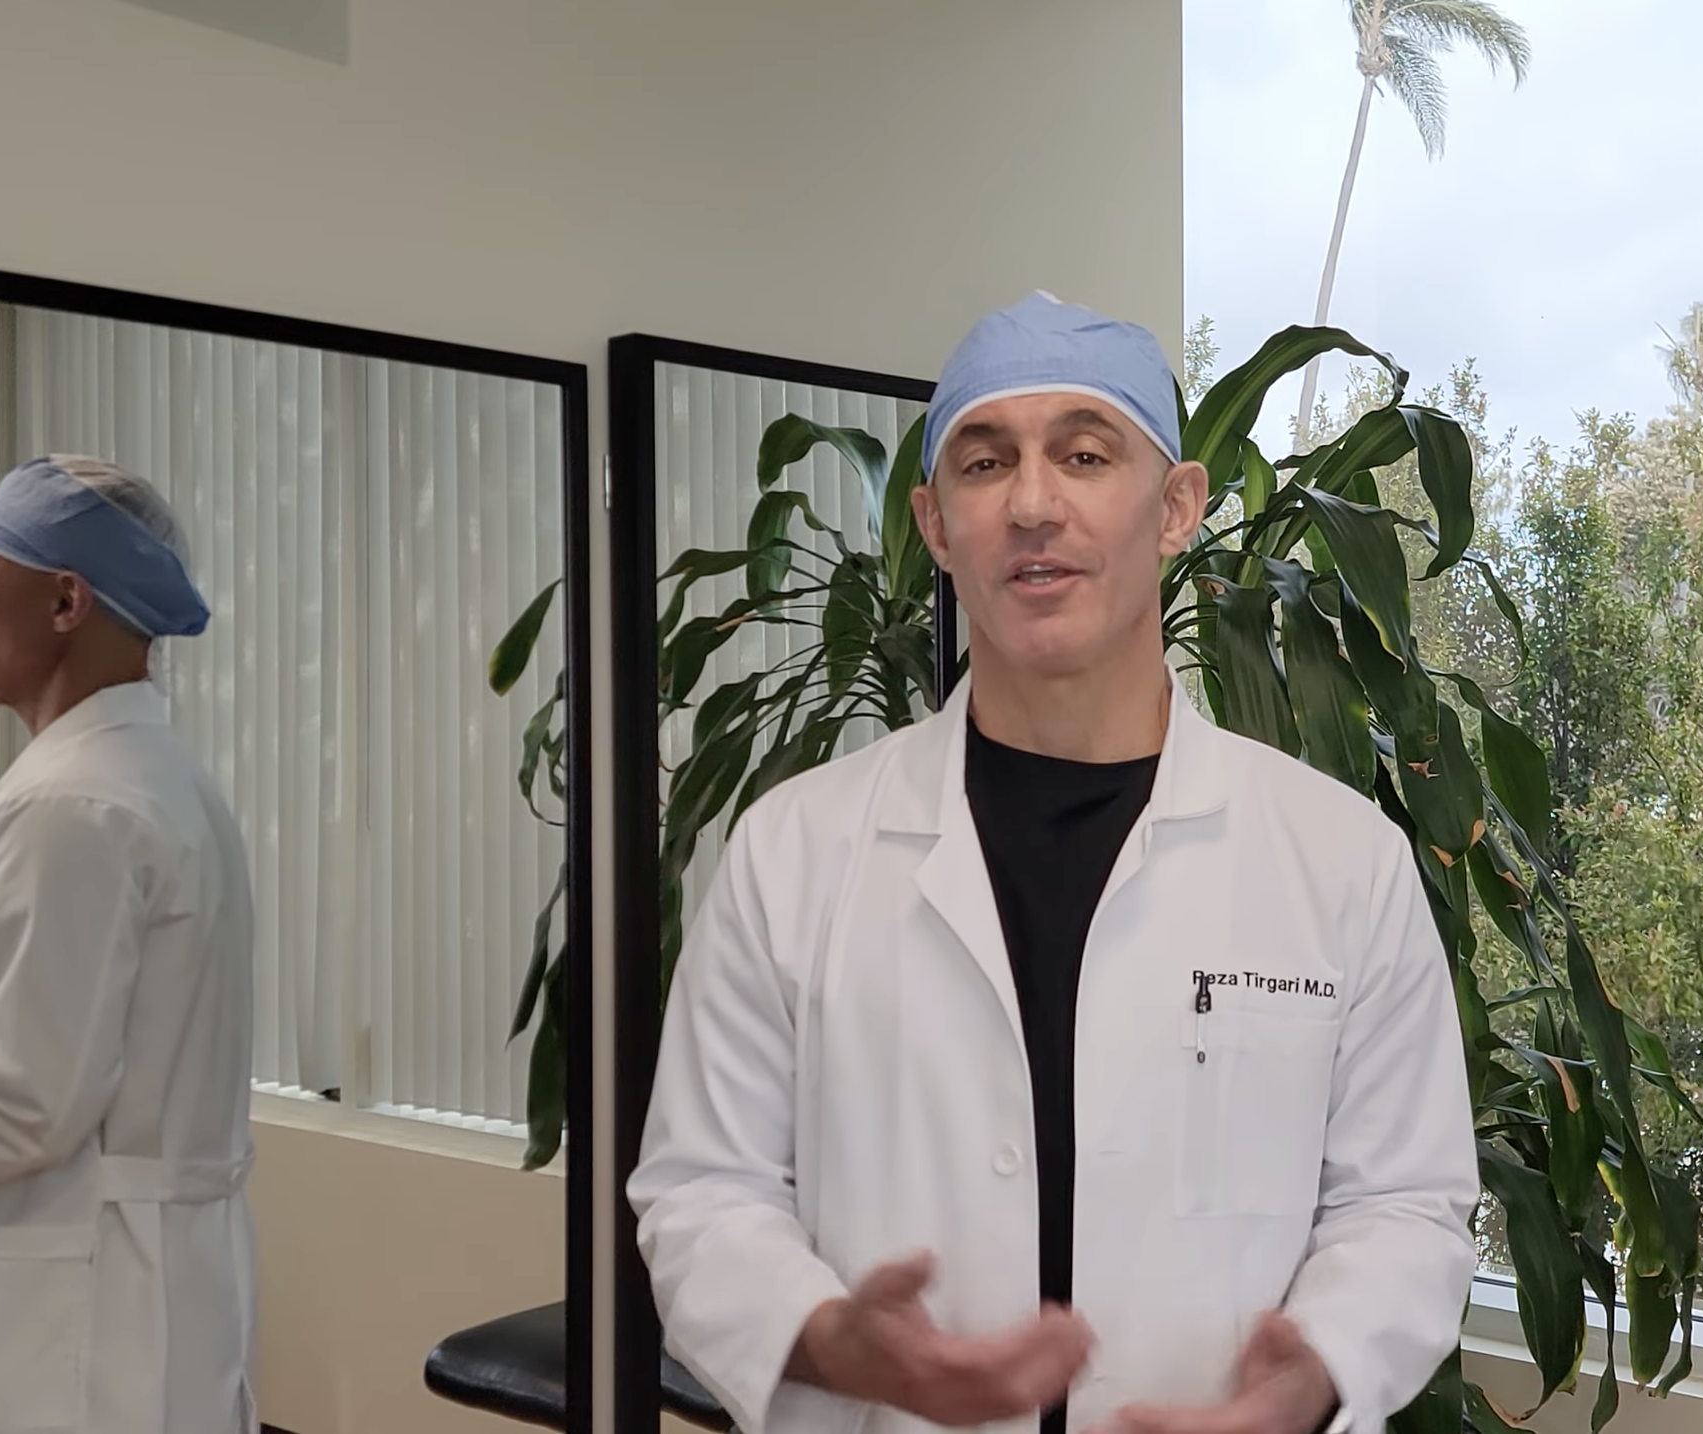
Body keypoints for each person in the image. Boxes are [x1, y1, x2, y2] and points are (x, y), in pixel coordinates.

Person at [631, 294, 1478, 1434]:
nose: (1032, 504)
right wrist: (838, 1343)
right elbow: (701, 1193)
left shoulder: (1341, 865)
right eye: (986, 464)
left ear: (1175, 507)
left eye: (1084, 455)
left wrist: (1311, 1378)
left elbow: (1406, 1205)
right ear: (936, 527)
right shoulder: (793, 855)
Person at [0, 455, 258, 1434]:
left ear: (65, 602)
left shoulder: (70, 808)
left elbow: (22, 1107)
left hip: (66, 1324)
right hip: (135, 1292)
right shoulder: (151, 777)